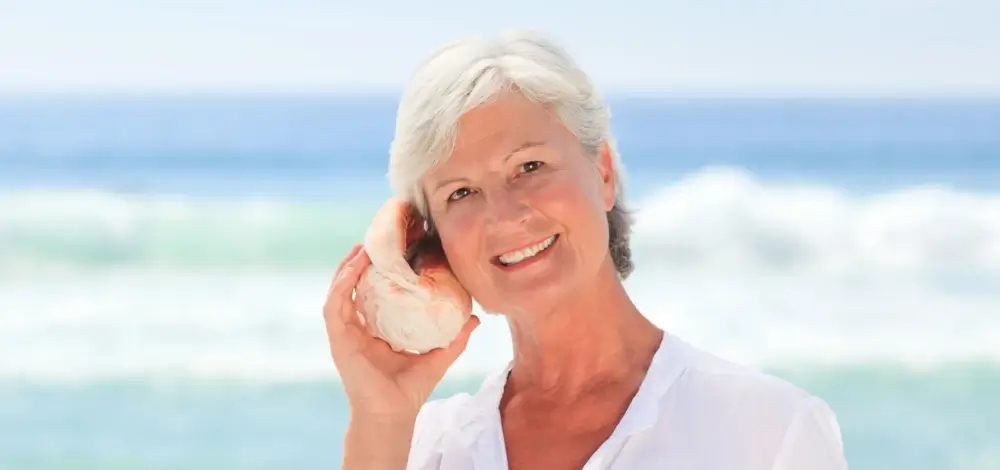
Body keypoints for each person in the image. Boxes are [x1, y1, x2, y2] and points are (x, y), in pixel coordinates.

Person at [323, 29, 849, 470]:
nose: (504, 215)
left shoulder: (767, 433)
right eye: (461, 193)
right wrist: (381, 418)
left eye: (529, 167)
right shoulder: (425, 448)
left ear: (602, 174)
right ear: (432, 238)